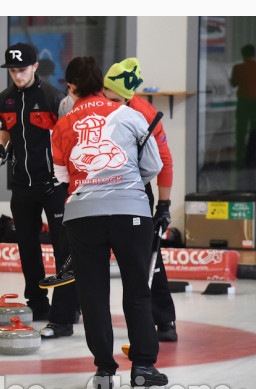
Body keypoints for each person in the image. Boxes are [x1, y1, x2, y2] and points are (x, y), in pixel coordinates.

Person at [51, 56, 168, 389]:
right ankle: (144, 367)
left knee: (92, 294)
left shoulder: (62, 126)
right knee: (136, 288)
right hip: (130, 210)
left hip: (82, 216)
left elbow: (62, 176)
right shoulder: (130, 114)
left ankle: (104, 371)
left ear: (71, 87)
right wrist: (124, 182)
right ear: (101, 83)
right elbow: (153, 165)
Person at [0, 42, 78, 338]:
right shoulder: (3, 100)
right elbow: (6, 127)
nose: (17, 75)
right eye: (13, 70)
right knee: (28, 248)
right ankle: (38, 303)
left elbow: (70, 136)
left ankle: (68, 308)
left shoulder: (54, 98)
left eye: (22, 69)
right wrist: (0, 145)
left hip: (53, 185)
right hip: (22, 185)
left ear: (35, 67)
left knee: (62, 249)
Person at [102, 57, 178, 342]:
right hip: (98, 185)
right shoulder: (95, 104)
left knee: (147, 256)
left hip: (135, 190)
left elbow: (164, 161)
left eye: (118, 100)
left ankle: (163, 318)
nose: (113, 104)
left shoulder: (145, 113)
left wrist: (164, 204)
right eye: (108, 96)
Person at [230, 44, 256, 169]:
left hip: (243, 102)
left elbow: (234, 83)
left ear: (243, 55)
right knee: (254, 131)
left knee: (241, 131)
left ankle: (240, 158)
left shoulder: (238, 68)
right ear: (254, 54)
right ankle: (251, 160)